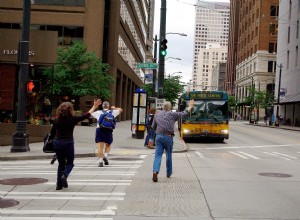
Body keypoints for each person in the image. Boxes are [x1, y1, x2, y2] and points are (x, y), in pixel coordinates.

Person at [50, 99, 101, 190]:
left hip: (57, 143)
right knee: (70, 163)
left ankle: (58, 185)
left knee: (61, 164)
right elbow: (86, 115)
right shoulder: (73, 119)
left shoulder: (57, 120)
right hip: (68, 143)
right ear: (70, 110)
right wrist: (94, 106)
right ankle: (64, 175)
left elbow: (52, 133)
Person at [151, 99, 194, 182]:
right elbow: (183, 113)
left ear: (163, 107)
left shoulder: (157, 115)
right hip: (168, 137)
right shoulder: (172, 114)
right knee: (168, 155)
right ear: (169, 107)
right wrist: (190, 106)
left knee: (158, 155)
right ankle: (168, 173)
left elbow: (153, 126)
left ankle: (155, 171)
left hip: (159, 137)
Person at [91, 101, 123, 167]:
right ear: (108, 106)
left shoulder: (98, 112)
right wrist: (114, 108)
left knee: (100, 146)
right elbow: (121, 110)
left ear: (102, 106)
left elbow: (90, 113)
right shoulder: (113, 112)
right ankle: (105, 155)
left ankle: (100, 161)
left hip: (99, 129)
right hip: (108, 130)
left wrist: (94, 107)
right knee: (108, 144)